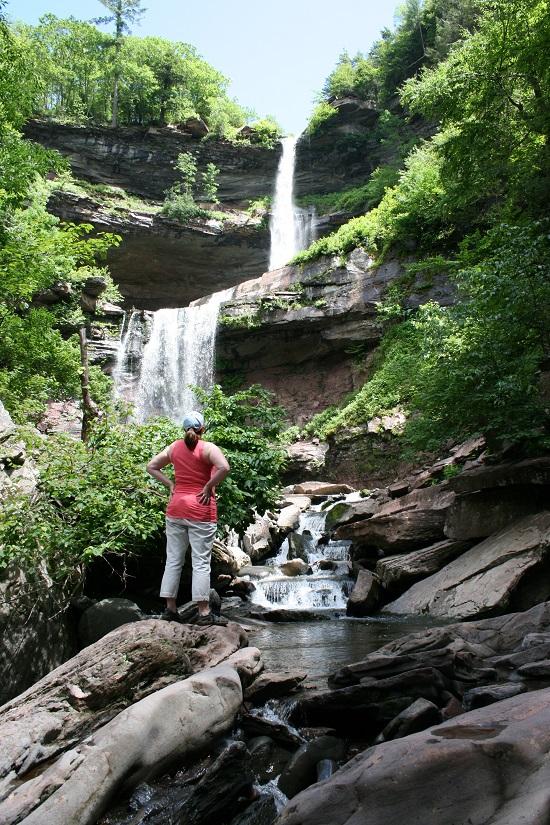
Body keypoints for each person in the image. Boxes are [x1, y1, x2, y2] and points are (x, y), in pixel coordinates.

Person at [146, 410, 230, 626]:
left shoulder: (174, 447)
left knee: (174, 560)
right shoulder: (208, 448)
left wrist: (171, 485)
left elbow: (151, 466)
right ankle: (203, 613)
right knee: (201, 562)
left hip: (175, 509)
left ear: (184, 429)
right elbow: (224, 468)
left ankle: (170, 609)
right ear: (203, 429)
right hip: (201, 510)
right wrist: (209, 486)